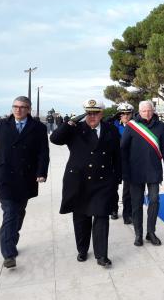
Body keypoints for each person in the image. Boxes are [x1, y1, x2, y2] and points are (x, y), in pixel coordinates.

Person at [50, 99, 121, 267]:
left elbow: (117, 155)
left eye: (96, 113)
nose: (92, 116)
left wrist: (118, 177)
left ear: (101, 113)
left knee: (102, 216)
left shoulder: (110, 129)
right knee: (81, 217)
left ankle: (101, 255)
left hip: (103, 180)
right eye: (89, 113)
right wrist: (69, 123)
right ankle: (82, 249)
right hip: (79, 180)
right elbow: (55, 139)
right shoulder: (75, 128)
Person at [0, 96, 49, 269]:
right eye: (15, 106)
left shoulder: (38, 127)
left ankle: (12, 238)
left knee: (19, 212)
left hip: (26, 177)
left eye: (23, 107)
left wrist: (41, 172)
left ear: (29, 109)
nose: (18, 110)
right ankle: (8, 254)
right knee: (10, 212)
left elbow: (43, 152)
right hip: (5, 176)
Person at [121, 101, 164, 247]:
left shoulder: (160, 126)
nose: (147, 113)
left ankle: (151, 232)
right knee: (136, 203)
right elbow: (123, 149)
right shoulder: (131, 126)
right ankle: (138, 234)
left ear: (153, 110)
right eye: (144, 111)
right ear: (139, 112)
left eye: (149, 110)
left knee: (154, 200)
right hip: (135, 171)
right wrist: (124, 170)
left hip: (154, 170)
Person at [108, 103, 135, 224]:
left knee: (128, 190)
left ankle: (127, 214)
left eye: (128, 113)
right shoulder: (112, 125)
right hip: (114, 161)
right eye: (123, 113)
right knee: (113, 187)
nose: (125, 116)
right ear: (119, 115)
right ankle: (113, 209)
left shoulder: (136, 126)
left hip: (130, 161)